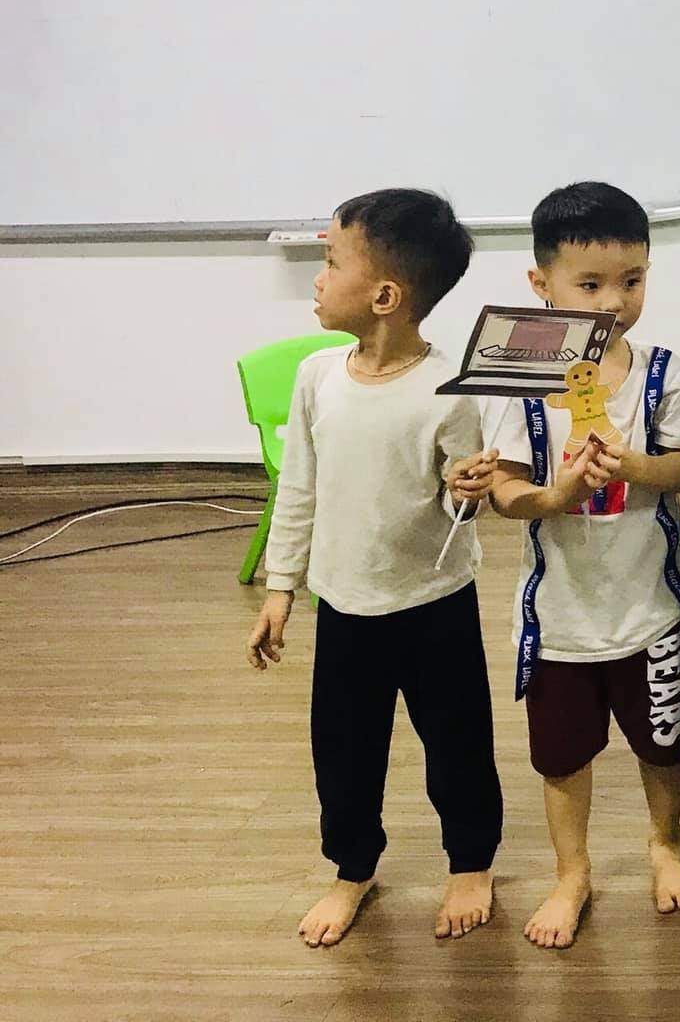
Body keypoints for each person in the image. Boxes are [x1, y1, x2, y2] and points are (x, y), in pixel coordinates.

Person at [244, 188, 503, 948]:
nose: (318, 278)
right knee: (344, 752)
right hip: (345, 607)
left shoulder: (449, 390)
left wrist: (466, 493)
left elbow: (460, 509)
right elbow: (298, 488)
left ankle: (471, 861)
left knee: (457, 742)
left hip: (434, 602)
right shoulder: (318, 376)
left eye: (331, 262)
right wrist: (281, 588)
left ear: (385, 296)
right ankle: (352, 867)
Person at [483, 182, 680, 948]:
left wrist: (634, 466)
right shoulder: (520, 375)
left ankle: (665, 843)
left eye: (632, 280)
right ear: (540, 284)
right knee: (560, 759)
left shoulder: (664, 371)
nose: (613, 301)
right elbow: (505, 491)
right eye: (589, 284)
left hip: (652, 609)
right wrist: (557, 494)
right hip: (560, 622)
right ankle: (571, 871)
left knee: (664, 743)